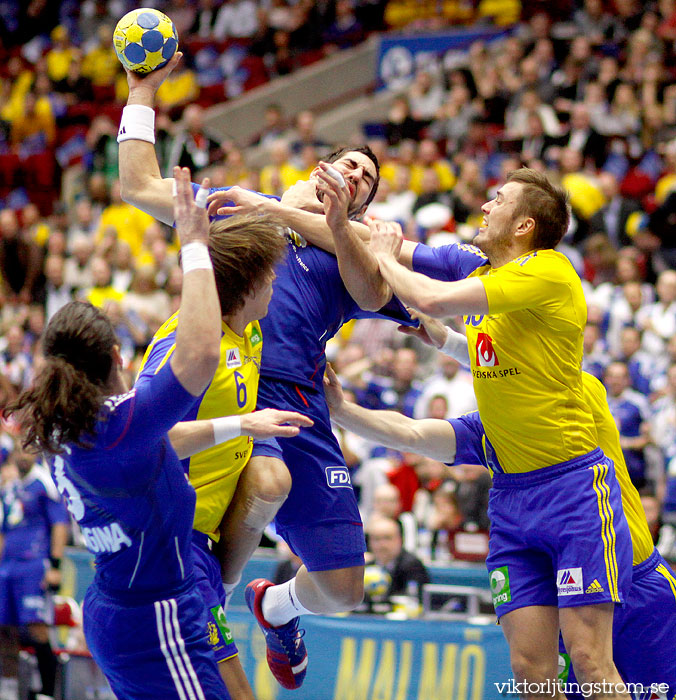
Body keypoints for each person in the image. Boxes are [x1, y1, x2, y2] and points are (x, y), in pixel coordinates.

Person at [117, 53, 416, 691]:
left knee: (342, 589)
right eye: (350, 166)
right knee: (264, 480)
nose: (357, 177)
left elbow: (371, 294)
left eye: (367, 182)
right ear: (320, 168)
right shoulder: (240, 211)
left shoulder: (351, 255)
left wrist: (341, 226)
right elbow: (138, 185)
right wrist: (142, 93)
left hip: (299, 404)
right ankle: (214, 598)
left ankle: (274, 606)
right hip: (221, 381)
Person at [308, 168, 632, 695]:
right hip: (510, 495)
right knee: (532, 675)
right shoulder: (476, 268)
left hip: (572, 488)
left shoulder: (549, 272)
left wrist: (387, 260)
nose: (485, 206)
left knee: (591, 665)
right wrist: (282, 214)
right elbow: (372, 240)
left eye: (497, 200)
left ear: (524, 225)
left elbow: (429, 297)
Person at [3, 169, 302, 700]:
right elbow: (201, 354)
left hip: (118, 607)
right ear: (118, 358)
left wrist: (241, 424)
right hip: (158, 610)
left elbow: (162, 443)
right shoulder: (122, 426)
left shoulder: (68, 430)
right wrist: (193, 248)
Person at [324, 360, 676, 696]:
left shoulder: (576, 391)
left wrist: (448, 340)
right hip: (562, 602)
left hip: (638, 589)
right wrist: (341, 410)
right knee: (537, 678)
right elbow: (411, 433)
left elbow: (526, 361)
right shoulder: (493, 427)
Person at [136, 211, 312, 699]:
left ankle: (232, 586)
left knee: (272, 481)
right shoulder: (189, 347)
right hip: (172, 540)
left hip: (205, 543)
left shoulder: (249, 329)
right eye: (268, 273)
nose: (276, 279)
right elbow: (143, 437)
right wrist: (243, 424)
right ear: (248, 285)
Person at [0, 450, 69, 700]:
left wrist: (55, 565)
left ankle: (47, 693)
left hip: (33, 565)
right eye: (19, 450)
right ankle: (8, 689)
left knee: (36, 627)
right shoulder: (9, 489)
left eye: (28, 450)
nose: (23, 456)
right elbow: (3, 530)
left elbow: (60, 525)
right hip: (7, 567)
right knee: (4, 628)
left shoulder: (45, 484)